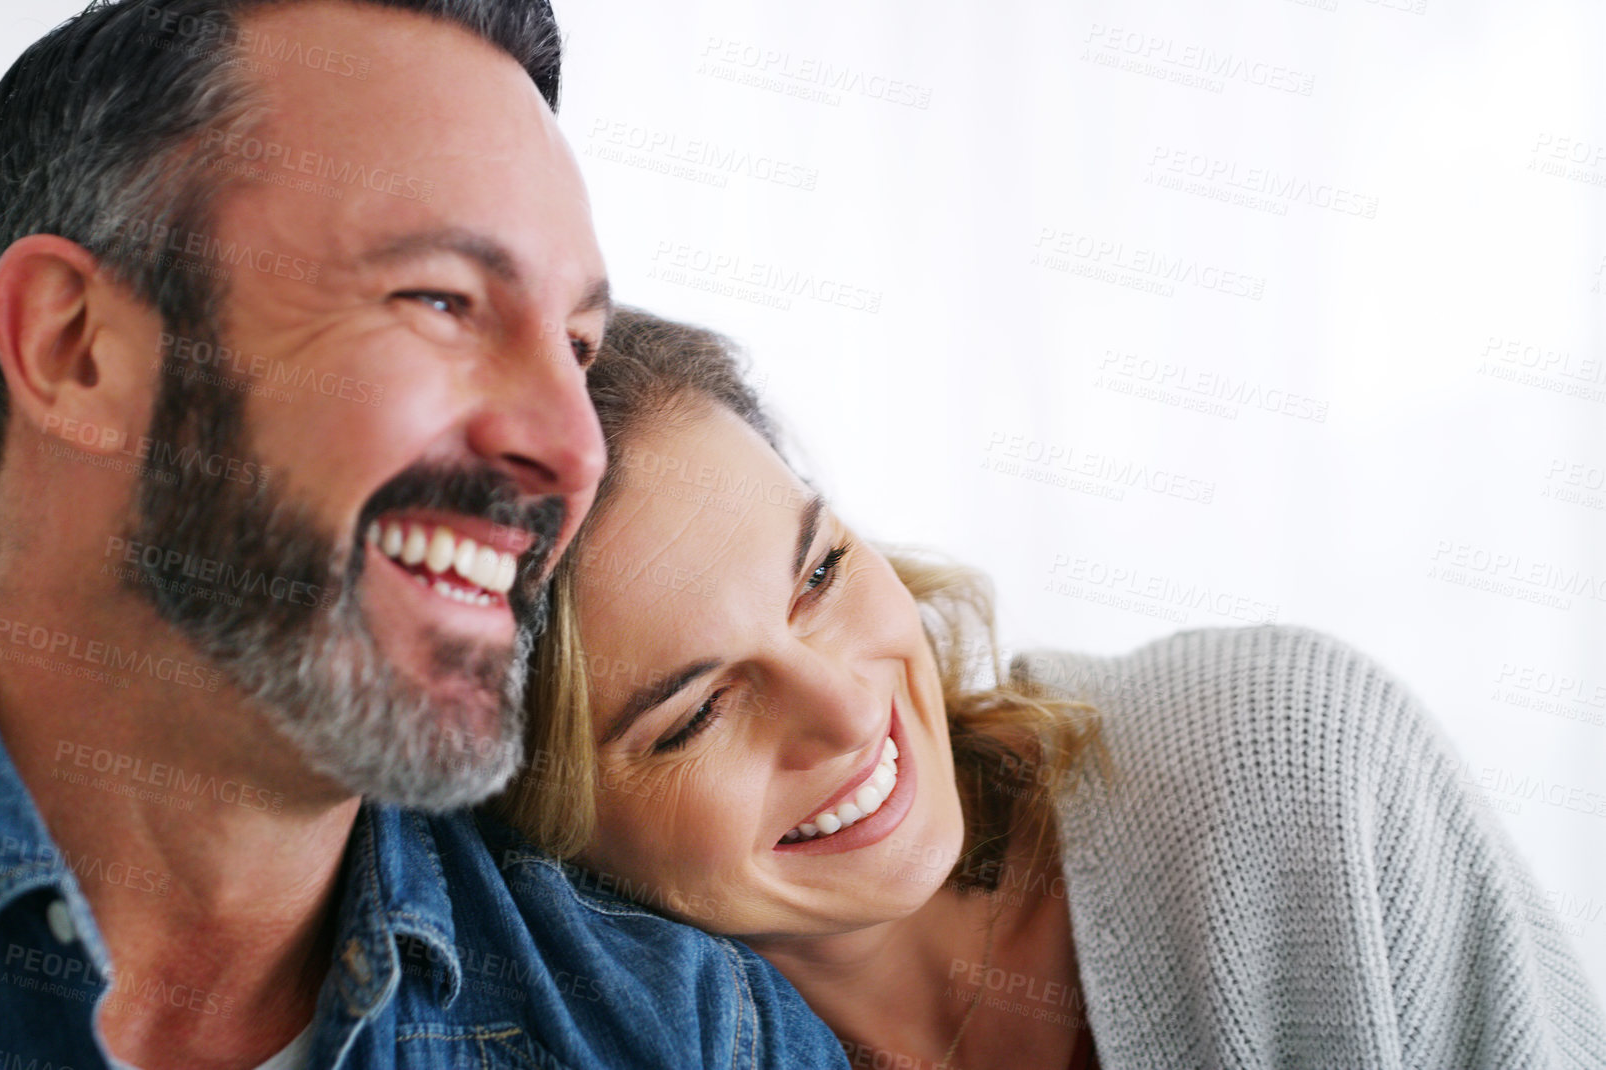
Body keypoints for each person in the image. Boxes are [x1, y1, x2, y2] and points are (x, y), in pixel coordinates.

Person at [0, 4, 850, 1068]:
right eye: (442, 301)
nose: (571, 446)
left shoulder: (689, 1032)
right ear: (77, 348)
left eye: (576, 347)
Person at [491, 307, 1606, 1069]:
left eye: (820, 571)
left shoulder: (1288, 771)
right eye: (696, 713)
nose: (844, 705)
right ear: (541, 816)